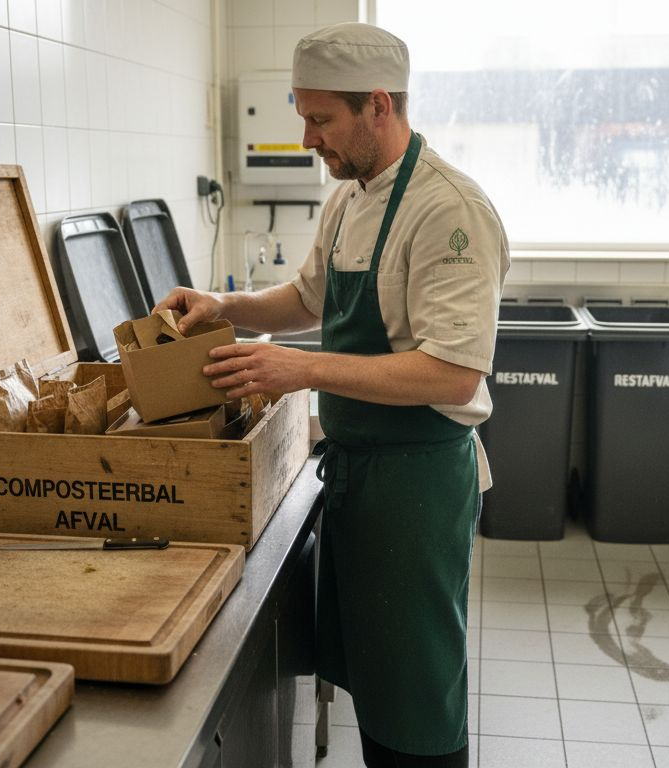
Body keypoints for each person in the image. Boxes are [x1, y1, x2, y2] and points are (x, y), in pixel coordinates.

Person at [154, 22, 509, 768]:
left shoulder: (449, 211)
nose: (307, 137)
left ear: (378, 105)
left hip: (417, 487)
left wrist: (304, 371)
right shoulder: (349, 198)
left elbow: (453, 372)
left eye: (321, 119)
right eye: (302, 114)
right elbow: (309, 298)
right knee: (379, 685)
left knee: (419, 700)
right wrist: (227, 307)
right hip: (360, 477)